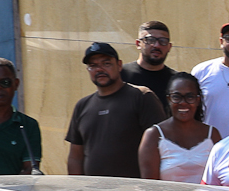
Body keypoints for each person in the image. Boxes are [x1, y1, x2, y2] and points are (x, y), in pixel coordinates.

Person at [66, 41, 164, 177]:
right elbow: (75, 157)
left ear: (119, 65)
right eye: (93, 66)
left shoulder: (141, 96)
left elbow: (160, 146)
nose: (99, 69)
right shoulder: (82, 105)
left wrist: (149, 190)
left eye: (106, 63)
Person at [137, 71, 222, 183]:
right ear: (168, 99)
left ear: (198, 100)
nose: (183, 102)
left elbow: (221, 179)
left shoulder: (212, 135)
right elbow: (150, 187)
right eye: (177, 97)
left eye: (190, 97)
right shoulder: (153, 135)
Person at [122, 20, 175, 111]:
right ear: (138, 44)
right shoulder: (120, 75)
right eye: (150, 40)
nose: (156, 45)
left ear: (169, 47)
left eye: (163, 41)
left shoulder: (176, 81)